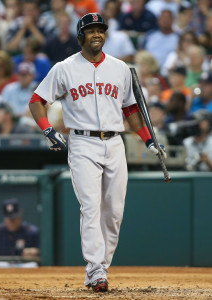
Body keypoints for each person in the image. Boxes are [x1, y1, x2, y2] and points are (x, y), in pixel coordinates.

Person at [28, 13, 166, 292]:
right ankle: (96, 270)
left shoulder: (120, 68)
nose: (96, 34)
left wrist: (148, 140)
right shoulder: (65, 68)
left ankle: (100, 266)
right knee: (90, 206)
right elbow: (37, 101)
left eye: (100, 30)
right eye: (90, 30)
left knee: (114, 212)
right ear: (81, 36)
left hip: (115, 142)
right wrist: (47, 130)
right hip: (82, 142)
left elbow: (130, 109)